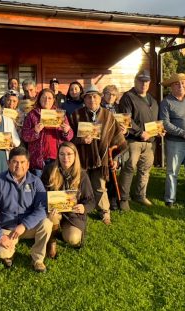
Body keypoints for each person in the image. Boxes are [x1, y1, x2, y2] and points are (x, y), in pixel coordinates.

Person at [0, 146, 53, 273]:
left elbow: (42, 208)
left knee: (47, 224)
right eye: (14, 162)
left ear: (28, 164)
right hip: (7, 227)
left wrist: (25, 225)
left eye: (22, 162)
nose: (18, 166)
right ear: (8, 163)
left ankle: (37, 259)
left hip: (28, 226)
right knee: (3, 253)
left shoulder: (36, 182)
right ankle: (9, 249)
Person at [70, 85, 127, 224]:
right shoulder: (76, 115)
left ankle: (104, 211)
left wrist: (114, 158)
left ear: (100, 98)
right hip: (81, 157)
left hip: (101, 159)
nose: (92, 99)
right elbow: (68, 137)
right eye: (88, 97)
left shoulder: (107, 116)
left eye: (94, 96)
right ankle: (76, 211)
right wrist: (81, 140)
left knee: (100, 186)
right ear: (84, 99)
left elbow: (116, 138)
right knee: (78, 186)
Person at [117, 72, 162, 209]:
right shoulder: (128, 97)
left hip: (150, 142)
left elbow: (156, 121)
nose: (144, 84)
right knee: (129, 168)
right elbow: (126, 119)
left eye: (146, 82)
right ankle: (124, 198)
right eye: (141, 81)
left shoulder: (152, 100)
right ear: (135, 81)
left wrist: (159, 130)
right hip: (133, 141)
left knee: (145, 170)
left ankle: (140, 195)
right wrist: (139, 132)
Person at [40, 142, 94, 253]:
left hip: (72, 214)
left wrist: (84, 207)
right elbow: (41, 194)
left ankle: (59, 231)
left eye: (69, 154)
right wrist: (48, 204)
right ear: (58, 156)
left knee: (73, 239)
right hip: (53, 212)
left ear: (75, 156)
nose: (65, 158)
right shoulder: (49, 170)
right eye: (62, 154)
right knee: (53, 217)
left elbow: (91, 200)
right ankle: (52, 241)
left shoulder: (82, 175)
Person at [160, 73, 185, 207]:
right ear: (171, 87)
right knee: (172, 172)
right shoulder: (166, 102)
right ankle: (170, 199)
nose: (181, 86)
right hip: (175, 142)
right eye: (177, 84)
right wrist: (183, 133)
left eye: (183, 83)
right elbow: (165, 123)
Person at [21, 88, 74, 175]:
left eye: (49, 98)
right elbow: (25, 136)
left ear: (53, 100)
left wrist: (66, 131)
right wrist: (35, 131)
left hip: (57, 157)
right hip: (38, 159)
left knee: (55, 184)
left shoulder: (59, 114)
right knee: (40, 186)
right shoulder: (32, 114)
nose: (47, 100)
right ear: (39, 99)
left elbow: (70, 136)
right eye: (44, 97)